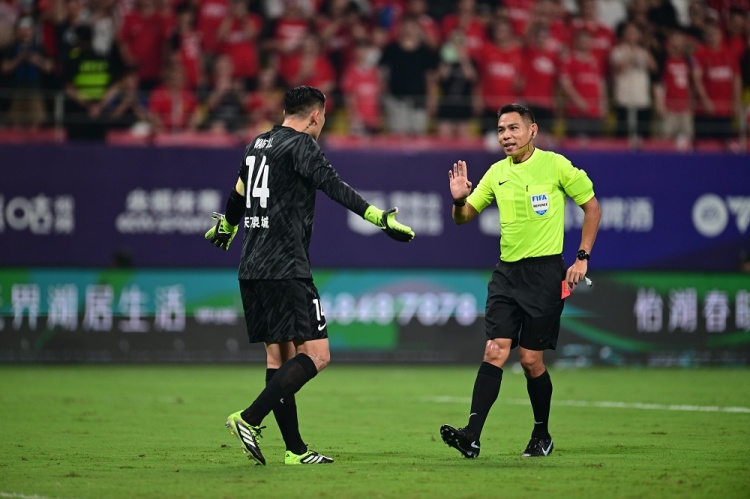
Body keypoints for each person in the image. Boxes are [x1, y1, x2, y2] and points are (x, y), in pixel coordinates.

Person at [204, 85, 414, 466]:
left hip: (251, 268)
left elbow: (237, 195)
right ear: (316, 115)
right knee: (317, 354)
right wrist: (378, 218)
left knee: (279, 357)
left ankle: (295, 450)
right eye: (324, 117)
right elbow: (335, 188)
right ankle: (249, 418)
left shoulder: (256, 145)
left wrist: (227, 228)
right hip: (287, 268)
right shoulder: (302, 145)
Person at [439, 103, 601, 458]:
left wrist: (582, 257)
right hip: (507, 274)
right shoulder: (496, 173)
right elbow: (463, 217)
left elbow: (592, 207)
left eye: (513, 128)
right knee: (494, 350)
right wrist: (459, 201)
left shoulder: (555, 165)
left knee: (530, 360)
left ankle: (542, 434)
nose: (506, 136)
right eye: (501, 130)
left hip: (545, 274)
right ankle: (471, 436)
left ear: (532, 130)